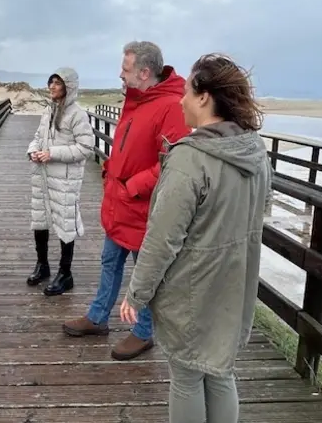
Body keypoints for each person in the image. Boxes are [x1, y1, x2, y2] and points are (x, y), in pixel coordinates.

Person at [120, 53, 273, 423]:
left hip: (192, 289)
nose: (181, 99)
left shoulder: (191, 158)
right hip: (235, 286)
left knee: (187, 375)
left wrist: (136, 294)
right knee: (220, 371)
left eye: (187, 91)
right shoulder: (255, 153)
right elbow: (261, 211)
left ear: (204, 97)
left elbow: (162, 240)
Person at [62, 41, 190, 361]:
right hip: (119, 203)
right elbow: (128, 146)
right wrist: (111, 168)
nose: (121, 74)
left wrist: (133, 185)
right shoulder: (138, 101)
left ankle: (144, 332)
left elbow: (173, 162)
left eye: (126, 68)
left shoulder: (172, 105)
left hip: (142, 207)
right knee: (109, 263)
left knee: (144, 274)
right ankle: (98, 317)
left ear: (144, 72)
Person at [26, 67, 95, 296]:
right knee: (40, 221)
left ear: (69, 86)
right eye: (51, 82)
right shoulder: (48, 110)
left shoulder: (77, 114)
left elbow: (86, 147)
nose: (52, 86)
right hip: (43, 176)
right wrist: (33, 151)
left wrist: (52, 153)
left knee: (65, 225)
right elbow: (38, 137)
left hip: (64, 179)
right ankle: (42, 265)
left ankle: (66, 274)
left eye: (58, 82)